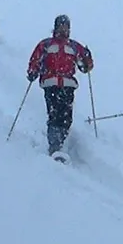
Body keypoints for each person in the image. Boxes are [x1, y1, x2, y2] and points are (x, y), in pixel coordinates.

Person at [24, 14, 93, 157]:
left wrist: (87, 60)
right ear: (55, 27)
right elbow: (35, 59)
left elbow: (85, 66)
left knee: (66, 116)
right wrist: (33, 71)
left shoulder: (73, 46)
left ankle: (60, 141)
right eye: (61, 26)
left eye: (66, 27)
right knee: (54, 114)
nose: (63, 29)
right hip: (51, 83)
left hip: (68, 85)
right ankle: (55, 146)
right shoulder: (47, 44)